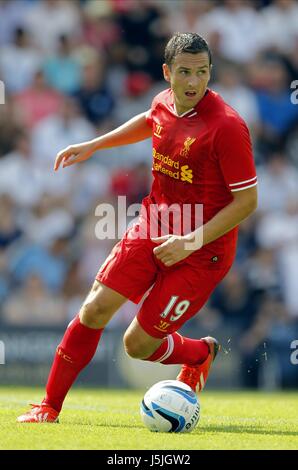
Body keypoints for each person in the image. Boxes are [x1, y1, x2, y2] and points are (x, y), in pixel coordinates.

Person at [17, 33, 258, 423]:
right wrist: (96, 144)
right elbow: (151, 121)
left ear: (210, 72)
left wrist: (190, 241)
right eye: (184, 72)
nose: (194, 82)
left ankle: (199, 353)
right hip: (154, 224)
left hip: (203, 251)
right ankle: (48, 406)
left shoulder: (228, 126)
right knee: (94, 309)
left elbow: (247, 202)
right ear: (167, 73)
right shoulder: (163, 102)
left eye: (202, 72)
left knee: (137, 344)